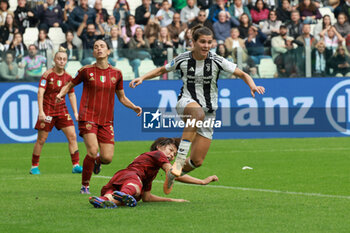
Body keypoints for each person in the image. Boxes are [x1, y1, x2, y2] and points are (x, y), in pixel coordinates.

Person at [129, 25, 265, 194]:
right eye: (202, 42)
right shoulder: (183, 59)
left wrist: (252, 85)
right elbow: (162, 70)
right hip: (186, 103)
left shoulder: (216, 60)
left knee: (197, 160)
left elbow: (243, 74)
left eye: (209, 42)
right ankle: (178, 162)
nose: (206, 46)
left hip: (208, 112)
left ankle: (172, 176)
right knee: (197, 113)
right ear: (193, 42)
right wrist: (142, 77)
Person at [56, 39, 142, 194]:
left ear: (108, 51)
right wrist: (61, 93)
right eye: (96, 47)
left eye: (102, 46)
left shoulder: (117, 73)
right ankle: (85, 186)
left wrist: (133, 106)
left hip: (106, 120)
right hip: (87, 117)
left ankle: (96, 162)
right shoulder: (85, 70)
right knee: (92, 150)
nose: (99, 48)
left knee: (107, 158)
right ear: (93, 53)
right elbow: (70, 84)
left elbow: (121, 97)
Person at [89, 137, 219, 208]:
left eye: (174, 154)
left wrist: (172, 200)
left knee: (126, 199)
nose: (171, 155)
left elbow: (147, 198)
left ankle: (103, 199)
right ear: (159, 147)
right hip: (131, 177)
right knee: (135, 191)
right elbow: (173, 173)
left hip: (118, 178)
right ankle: (122, 194)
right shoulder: (157, 154)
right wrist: (202, 181)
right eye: (170, 150)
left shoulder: (152, 170)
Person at [30, 48, 82, 175]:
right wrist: (41, 111)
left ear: (66, 61)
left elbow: (71, 95)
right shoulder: (47, 75)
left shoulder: (69, 77)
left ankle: (76, 165)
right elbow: (40, 92)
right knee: (42, 139)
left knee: (73, 136)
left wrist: (75, 112)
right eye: (59, 59)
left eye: (64, 59)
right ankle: (34, 166)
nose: (61, 61)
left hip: (62, 111)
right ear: (54, 60)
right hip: (47, 111)